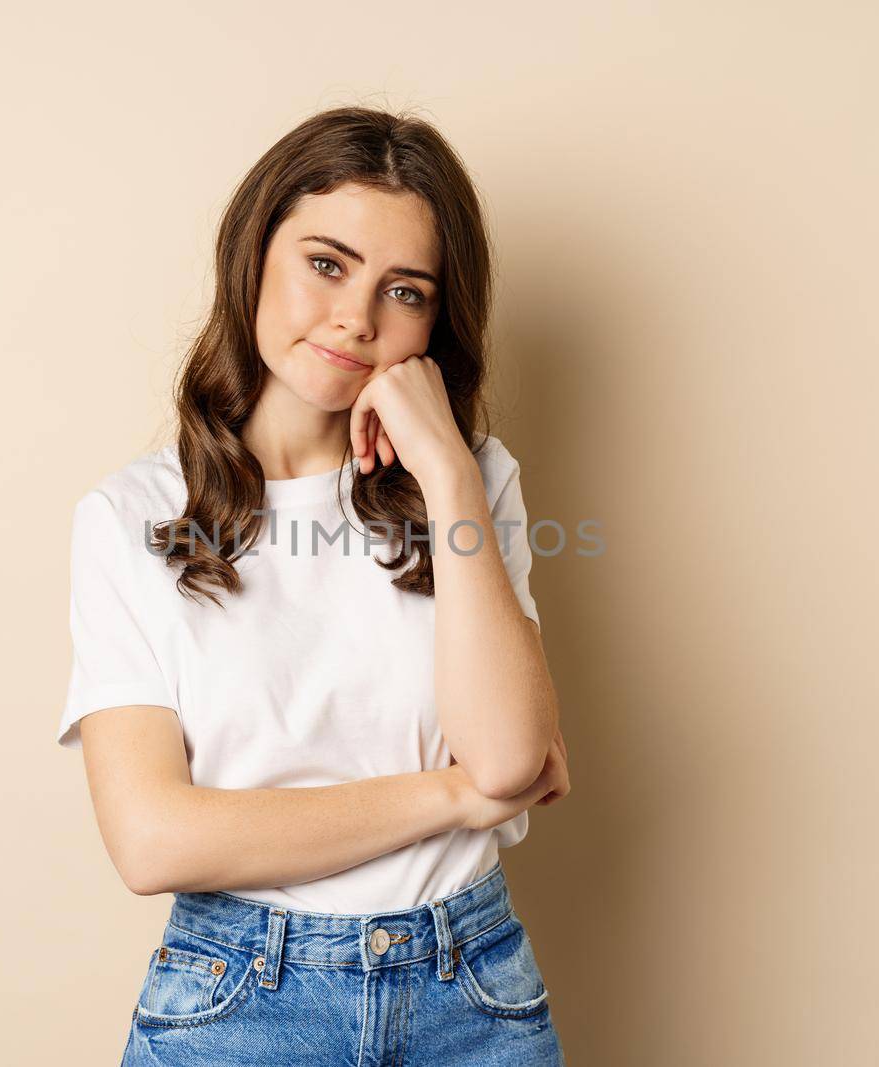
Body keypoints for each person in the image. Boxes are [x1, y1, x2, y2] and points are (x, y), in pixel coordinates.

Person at [57, 106, 571, 1066]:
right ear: (254, 253)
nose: (357, 318)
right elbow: (153, 840)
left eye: (404, 290)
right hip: (239, 1002)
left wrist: (450, 475)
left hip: (472, 994)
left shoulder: (474, 479)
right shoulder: (130, 515)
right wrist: (453, 799)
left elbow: (506, 758)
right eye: (326, 264)